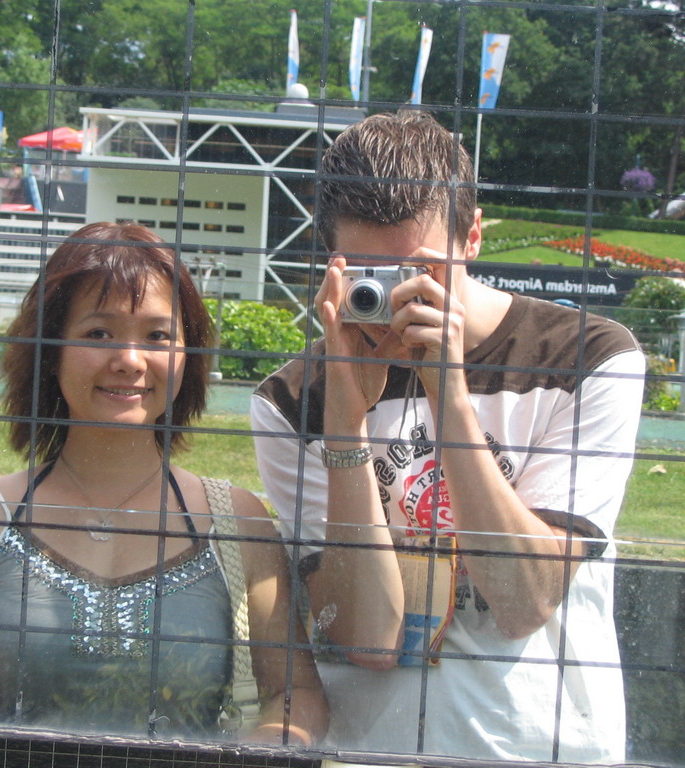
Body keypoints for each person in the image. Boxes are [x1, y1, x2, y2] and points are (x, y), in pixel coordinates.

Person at [250, 111, 644, 763]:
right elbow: (368, 638)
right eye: (370, 275)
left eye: (424, 271)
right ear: (333, 263)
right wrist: (345, 427)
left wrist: (449, 392)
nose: (401, 297)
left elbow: (523, 600)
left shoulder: (589, 360)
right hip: (375, 754)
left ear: (475, 235)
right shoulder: (293, 401)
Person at [0, 222, 328, 745]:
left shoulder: (238, 520)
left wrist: (259, 748)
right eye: (98, 334)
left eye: (157, 336)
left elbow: (297, 693)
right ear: (50, 348)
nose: (129, 360)